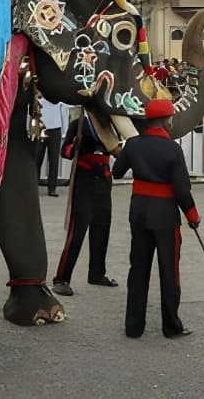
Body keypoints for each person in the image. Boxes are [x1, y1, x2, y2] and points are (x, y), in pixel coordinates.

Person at [112, 99, 199, 338]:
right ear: (167, 120)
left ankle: (133, 326)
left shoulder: (132, 145)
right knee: (168, 270)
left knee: (138, 268)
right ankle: (171, 326)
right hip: (164, 213)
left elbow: (117, 172)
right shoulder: (173, 149)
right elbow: (181, 189)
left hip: (139, 209)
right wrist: (192, 215)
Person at [52, 110, 119, 297]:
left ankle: (97, 273)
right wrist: (76, 147)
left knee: (102, 228)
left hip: (104, 181)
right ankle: (61, 278)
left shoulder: (111, 125)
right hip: (85, 181)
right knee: (77, 231)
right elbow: (65, 152)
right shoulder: (79, 124)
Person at [33, 97, 65, 197]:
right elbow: (34, 114)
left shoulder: (58, 98)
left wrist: (64, 131)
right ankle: (34, 186)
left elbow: (64, 113)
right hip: (41, 128)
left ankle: (52, 188)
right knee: (37, 159)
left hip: (55, 129)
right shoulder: (39, 97)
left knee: (54, 160)